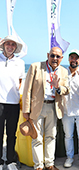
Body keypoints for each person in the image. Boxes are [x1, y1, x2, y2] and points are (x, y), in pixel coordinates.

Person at [22, 47, 70, 170]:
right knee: (36, 137)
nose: (55, 58)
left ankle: (49, 164)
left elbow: (66, 90)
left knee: (51, 136)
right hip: (37, 107)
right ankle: (38, 166)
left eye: (58, 56)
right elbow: (27, 89)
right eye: (52, 55)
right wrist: (26, 110)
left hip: (53, 107)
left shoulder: (64, 71)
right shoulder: (35, 67)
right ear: (48, 55)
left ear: (61, 58)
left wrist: (58, 87)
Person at [0, 35, 25, 170]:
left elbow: (20, 81)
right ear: (3, 45)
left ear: (16, 48)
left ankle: (10, 161)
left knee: (11, 133)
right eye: (8, 44)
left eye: (13, 44)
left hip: (13, 103)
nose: (10, 46)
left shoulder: (20, 63)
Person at [62, 49, 79, 170]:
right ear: (68, 59)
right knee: (68, 136)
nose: (74, 60)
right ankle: (70, 157)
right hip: (67, 110)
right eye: (71, 57)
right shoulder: (63, 72)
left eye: (76, 58)